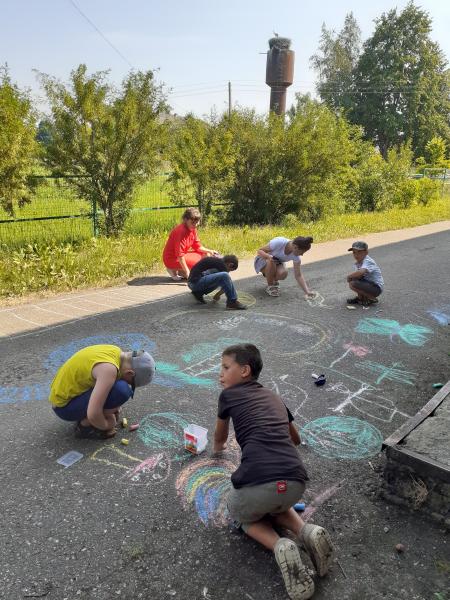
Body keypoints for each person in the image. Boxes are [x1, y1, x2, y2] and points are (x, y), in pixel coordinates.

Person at [213, 344, 334, 600]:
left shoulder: (228, 395)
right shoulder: (274, 396)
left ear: (244, 371)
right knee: (275, 501)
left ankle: (280, 545)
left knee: (240, 513)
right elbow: (296, 439)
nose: (220, 373)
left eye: (225, 367)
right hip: (295, 481)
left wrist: (216, 452)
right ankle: (307, 532)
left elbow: (220, 437)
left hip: (258, 482)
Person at [49, 345, 155, 439]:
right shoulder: (109, 370)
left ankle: (94, 416)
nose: (129, 384)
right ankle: (85, 426)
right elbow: (93, 414)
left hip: (63, 398)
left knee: (116, 387)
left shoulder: (114, 351)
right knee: (122, 390)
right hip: (65, 408)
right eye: (130, 383)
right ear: (130, 373)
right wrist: (107, 424)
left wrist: (112, 407)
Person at [162, 207, 218, 281]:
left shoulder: (192, 228)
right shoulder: (180, 231)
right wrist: (187, 272)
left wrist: (210, 251)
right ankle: (173, 269)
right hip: (172, 259)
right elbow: (180, 255)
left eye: (197, 222)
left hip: (181, 256)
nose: (195, 225)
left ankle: (179, 271)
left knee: (206, 255)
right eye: (193, 222)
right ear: (185, 220)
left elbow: (197, 246)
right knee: (200, 265)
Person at [346, 241, 384, 307]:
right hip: (370, 285)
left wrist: (349, 276)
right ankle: (360, 299)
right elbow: (359, 276)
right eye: (354, 252)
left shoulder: (368, 261)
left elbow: (361, 272)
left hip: (376, 288)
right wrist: (354, 277)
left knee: (352, 283)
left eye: (359, 252)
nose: (356, 255)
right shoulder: (359, 262)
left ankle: (372, 298)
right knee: (355, 279)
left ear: (366, 252)